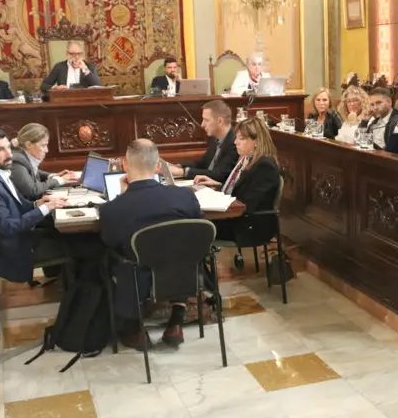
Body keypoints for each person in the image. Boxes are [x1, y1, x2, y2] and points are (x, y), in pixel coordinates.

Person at [99, 139, 203, 348]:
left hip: (139, 277)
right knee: (180, 248)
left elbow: (110, 241)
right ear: (158, 167)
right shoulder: (184, 196)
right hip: (182, 273)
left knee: (108, 257)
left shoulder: (113, 208)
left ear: (124, 166)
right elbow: (197, 230)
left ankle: (134, 328)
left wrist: (122, 195)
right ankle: (176, 319)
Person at [0, 128, 69, 283]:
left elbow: (18, 206)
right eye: (1, 150)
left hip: (23, 238)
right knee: (84, 243)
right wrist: (44, 209)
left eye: (8, 147)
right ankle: (83, 296)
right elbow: (8, 227)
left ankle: (72, 286)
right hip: (18, 250)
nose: (9, 154)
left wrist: (38, 204)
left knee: (68, 232)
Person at [193, 116, 281, 246]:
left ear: (256, 141)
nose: (235, 142)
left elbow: (246, 204)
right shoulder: (247, 160)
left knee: (193, 227)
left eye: (242, 138)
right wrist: (218, 185)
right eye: (236, 137)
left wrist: (216, 196)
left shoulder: (264, 166)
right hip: (237, 219)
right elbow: (241, 189)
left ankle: (198, 266)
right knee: (192, 223)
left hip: (249, 226)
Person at [169, 100, 238, 183]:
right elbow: (202, 164)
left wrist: (182, 172)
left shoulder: (235, 143)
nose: (202, 124)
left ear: (220, 121)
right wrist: (178, 166)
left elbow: (219, 175)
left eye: (206, 120)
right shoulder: (215, 138)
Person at [9, 123, 77, 200]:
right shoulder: (17, 161)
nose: (47, 150)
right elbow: (32, 190)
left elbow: (32, 171)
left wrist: (51, 176)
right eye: (43, 145)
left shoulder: (21, 155)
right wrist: (58, 180)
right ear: (28, 145)